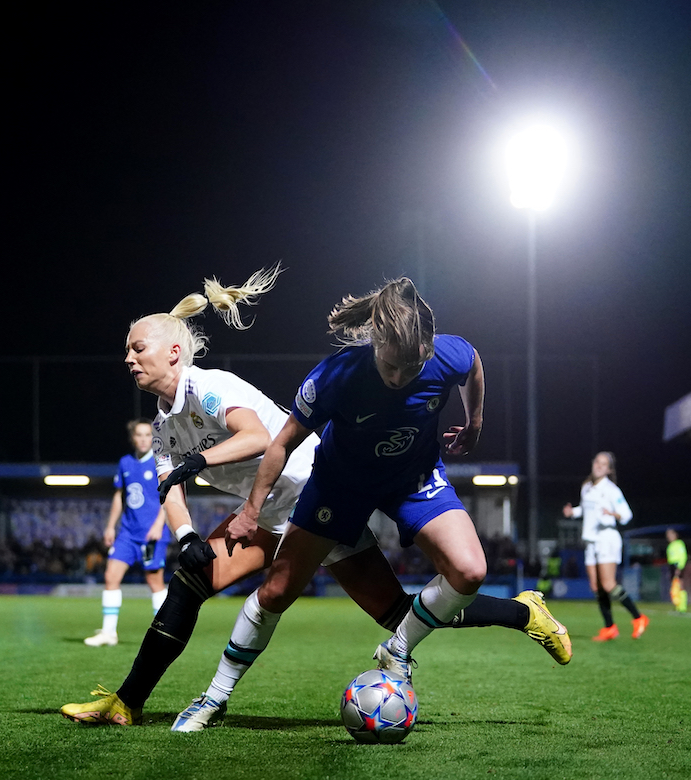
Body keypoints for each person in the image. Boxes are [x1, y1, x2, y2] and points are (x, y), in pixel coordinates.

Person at [61, 270, 569, 730]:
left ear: (171, 351)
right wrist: (187, 534)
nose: (128, 358)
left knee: (398, 613)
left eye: (137, 348)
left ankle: (521, 614)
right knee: (195, 580)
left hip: (309, 490)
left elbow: (259, 437)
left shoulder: (207, 389)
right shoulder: (164, 424)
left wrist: (206, 468)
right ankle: (132, 702)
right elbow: (170, 483)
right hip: (287, 501)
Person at [84, 418, 170, 646]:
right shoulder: (125, 463)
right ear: (133, 438)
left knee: (155, 583)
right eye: (139, 435)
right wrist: (111, 526)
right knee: (111, 576)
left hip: (152, 534)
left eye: (148, 435)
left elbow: (170, 496)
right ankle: (109, 633)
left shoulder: (161, 462)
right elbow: (118, 497)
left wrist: (158, 525)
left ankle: (164, 634)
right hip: (127, 533)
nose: (143, 439)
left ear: (154, 438)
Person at [562, 452, 648, 640]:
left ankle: (639, 617)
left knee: (608, 584)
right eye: (597, 462)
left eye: (604, 464)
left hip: (607, 539)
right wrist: (572, 512)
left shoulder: (611, 490)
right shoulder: (586, 487)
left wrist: (612, 514)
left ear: (609, 470)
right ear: (593, 464)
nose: (599, 466)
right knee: (596, 586)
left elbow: (626, 515)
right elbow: (585, 509)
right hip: (591, 541)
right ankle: (610, 627)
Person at [666, 528, 688, 613]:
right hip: (672, 566)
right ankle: (677, 605)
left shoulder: (679, 544)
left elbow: (683, 556)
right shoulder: (670, 545)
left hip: (677, 565)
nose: (669, 537)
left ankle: (682, 607)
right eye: (668, 535)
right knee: (674, 587)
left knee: (680, 585)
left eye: (671, 535)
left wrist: (680, 567)